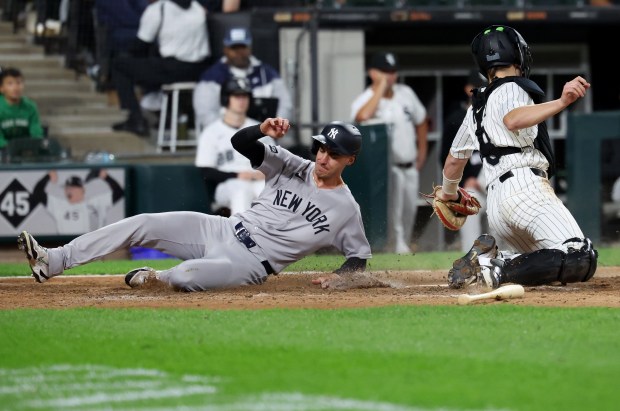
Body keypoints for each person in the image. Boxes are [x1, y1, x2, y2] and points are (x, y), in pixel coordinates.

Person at [18, 118, 372, 291]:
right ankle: (55, 259)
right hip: (223, 228)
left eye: (334, 153)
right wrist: (261, 127)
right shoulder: (294, 164)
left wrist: (340, 278)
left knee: (186, 277)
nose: (324, 157)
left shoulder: (345, 209)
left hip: (250, 263)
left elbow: (359, 256)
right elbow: (240, 143)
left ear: (350, 161)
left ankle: (158, 277)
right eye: (322, 148)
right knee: (144, 222)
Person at [438, 24, 597, 290]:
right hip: (527, 190)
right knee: (579, 256)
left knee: (536, 265)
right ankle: (496, 270)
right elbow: (513, 119)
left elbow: (454, 160)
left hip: (498, 206)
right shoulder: (512, 87)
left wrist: (448, 195)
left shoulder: (475, 108)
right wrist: (562, 101)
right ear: (518, 54)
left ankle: (492, 257)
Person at [350, 51, 428, 254]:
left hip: (410, 163)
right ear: (372, 73)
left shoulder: (406, 93)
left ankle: (403, 243)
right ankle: (397, 245)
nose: (390, 76)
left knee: (409, 209)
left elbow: (421, 121)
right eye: (385, 71)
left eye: (392, 72)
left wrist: (422, 152)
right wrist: (381, 87)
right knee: (394, 210)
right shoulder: (366, 98)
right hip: (386, 167)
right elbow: (362, 116)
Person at [111, 0, 211, 137]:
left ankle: (136, 119)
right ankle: (167, 115)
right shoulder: (197, 7)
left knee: (120, 65)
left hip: (174, 68)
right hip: (199, 70)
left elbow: (140, 45)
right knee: (152, 63)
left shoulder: (158, 9)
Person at [195, 77, 275, 216]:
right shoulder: (211, 132)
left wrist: (266, 172)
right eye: (237, 96)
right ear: (226, 99)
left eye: (245, 96)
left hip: (259, 180)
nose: (242, 100)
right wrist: (237, 175)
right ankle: (239, 236)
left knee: (272, 192)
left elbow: (275, 162)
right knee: (241, 191)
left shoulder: (260, 128)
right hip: (229, 183)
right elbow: (206, 171)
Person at [192, 26, 292, 131]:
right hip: (224, 138)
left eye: (243, 47)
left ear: (250, 48)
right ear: (225, 49)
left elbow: (285, 105)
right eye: (234, 48)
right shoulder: (211, 76)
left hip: (263, 135)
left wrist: (274, 128)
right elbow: (205, 113)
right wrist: (228, 132)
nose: (239, 53)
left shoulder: (267, 73)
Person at [440, 70, 487, 253]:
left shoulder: (498, 117)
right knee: (469, 203)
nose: (482, 92)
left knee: (501, 220)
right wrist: (454, 187)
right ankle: (471, 256)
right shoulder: (457, 119)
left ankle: (506, 258)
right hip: (470, 188)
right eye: (478, 88)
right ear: (468, 89)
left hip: (498, 183)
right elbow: (447, 157)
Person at [29, 169, 125, 235]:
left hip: (92, 246)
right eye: (67, 188)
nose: (69, 191)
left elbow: (118, 192)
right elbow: (37, 193)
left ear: (82, 190)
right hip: (67, 246)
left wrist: (106, 177)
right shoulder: (58, 205)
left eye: (72, 188)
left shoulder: (96, 203)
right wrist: (48, 176)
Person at [0, 67, 44, 151]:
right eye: (10, 84)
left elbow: (36, 134)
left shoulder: (30, 106)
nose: (16, 87)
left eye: (19, 83)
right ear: (1, 88)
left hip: (25, 150)